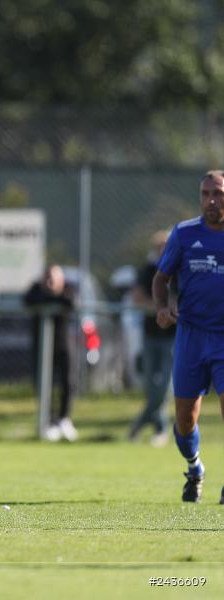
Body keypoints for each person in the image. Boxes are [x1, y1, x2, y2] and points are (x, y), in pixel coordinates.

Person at [154, 170, 224, 503]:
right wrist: (163, 308)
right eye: (206, 193)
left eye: (219, 193)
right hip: (191, 337)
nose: (212, 199)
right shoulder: (184, 234)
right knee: (185, 420)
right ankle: (194, 468)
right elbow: (160, 279)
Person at [128, 230, 175, 446]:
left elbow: (179, 300)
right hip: (150, 335)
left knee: (164, 387)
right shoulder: (146, 271)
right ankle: (157, 428)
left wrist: (165, 309)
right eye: (160, 246)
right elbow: (137, 297)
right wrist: (160, 309)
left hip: (171, 338)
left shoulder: (179, 268)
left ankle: (145, 426)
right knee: (149, 386)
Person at [24, 264, 78, 442]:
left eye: (54, 279)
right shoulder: (34, 290)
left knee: (67, 382)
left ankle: (64, 419)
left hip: (63, 344)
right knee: (43, 384)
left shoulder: (69, 289)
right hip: (41, 345)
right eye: (47, 278)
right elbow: (28, 300)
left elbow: (71, 302)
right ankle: (48, 421)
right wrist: (50, 298)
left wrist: (54, 298)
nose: (50, 282)